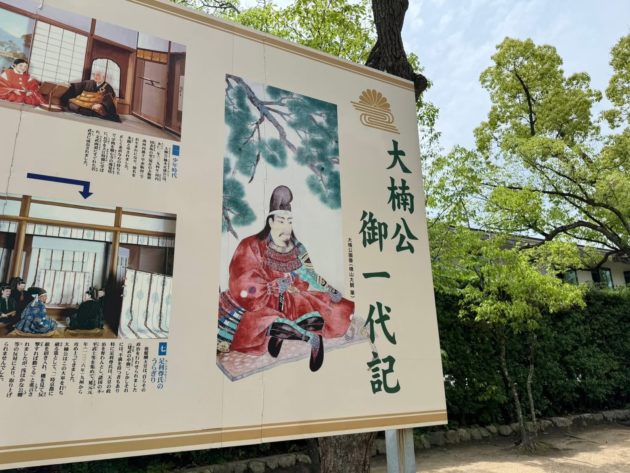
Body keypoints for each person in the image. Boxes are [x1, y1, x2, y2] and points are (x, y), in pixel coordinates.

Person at [218, 185, 354, 372]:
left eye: (289, 222)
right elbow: (241, 278)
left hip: (290, 296)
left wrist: (330, 289)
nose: (286, 227)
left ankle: (283, 335)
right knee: (263, 322)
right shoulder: (251, 245)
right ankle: (309, 338)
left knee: (319, 310)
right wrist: (271, 287)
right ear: (271, 221)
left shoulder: (297, 248)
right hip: (257, 300)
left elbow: (310, 274)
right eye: (281, 221)